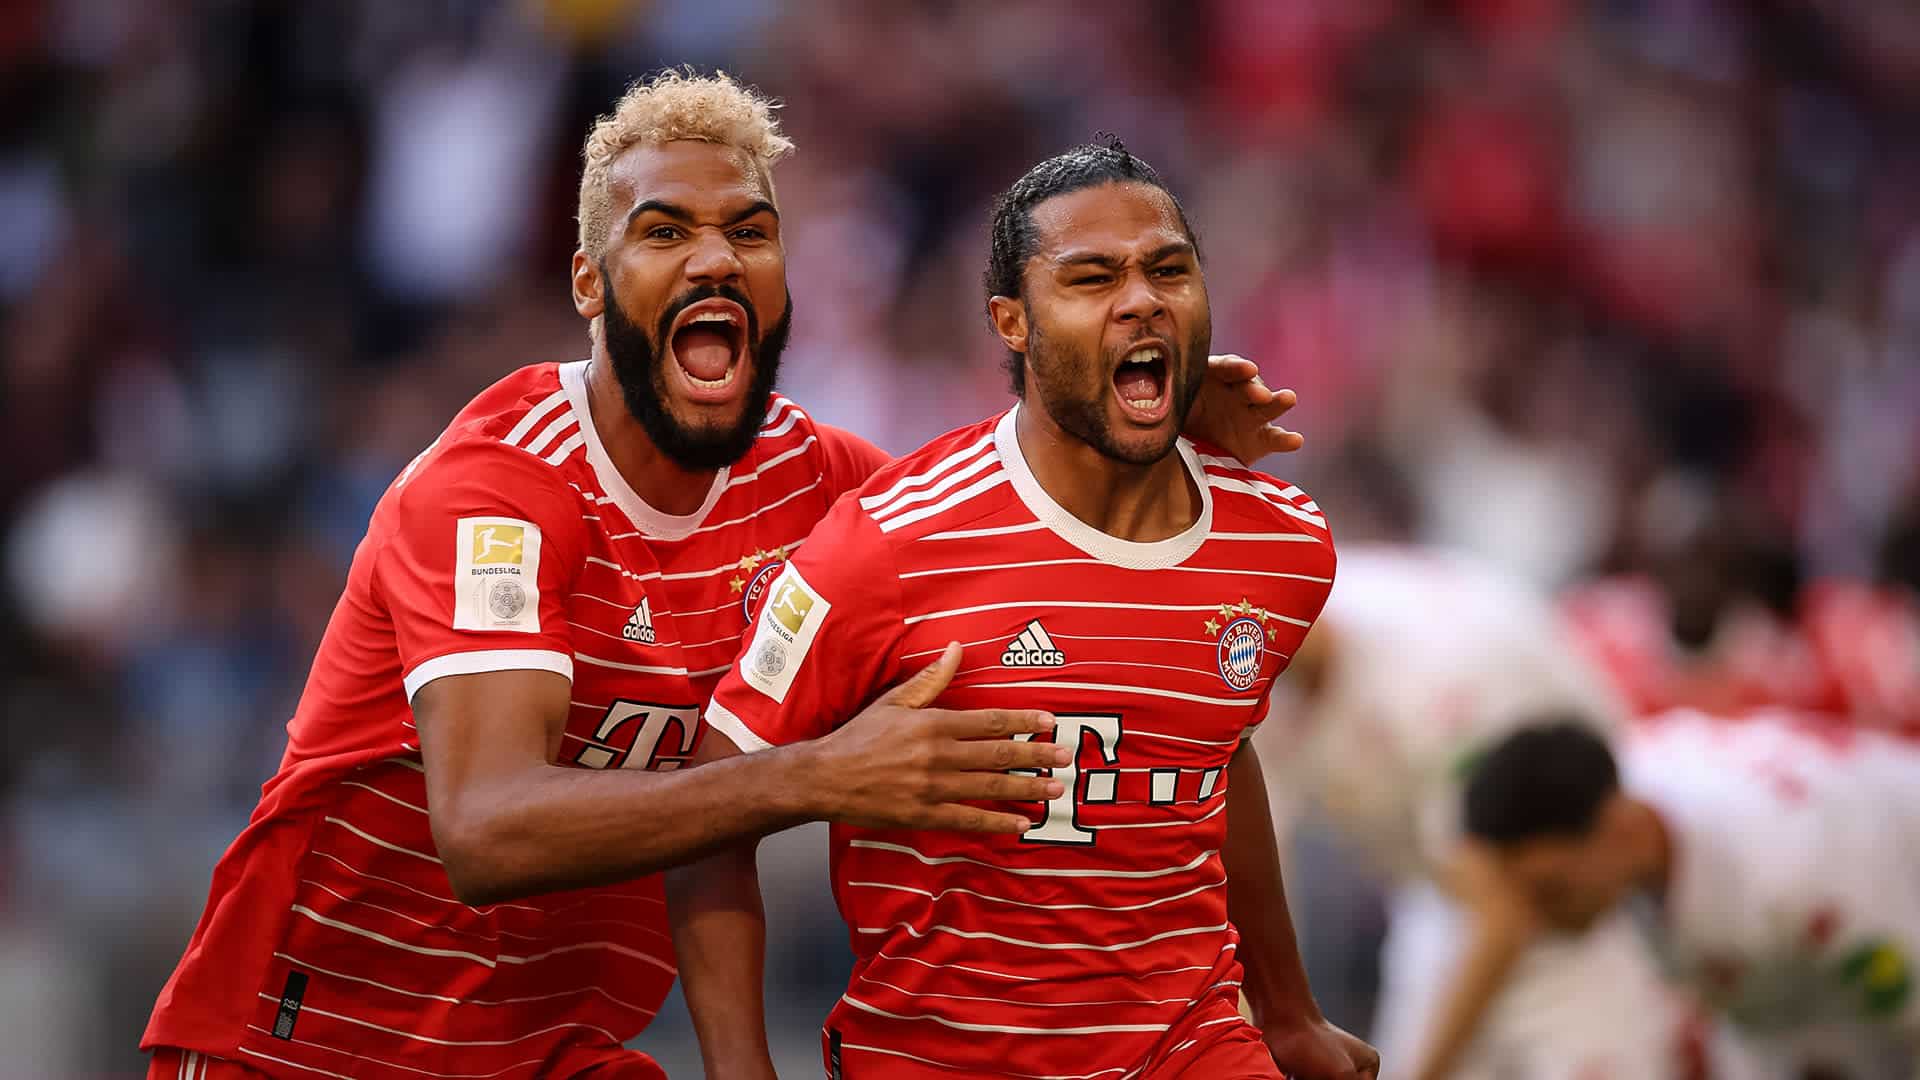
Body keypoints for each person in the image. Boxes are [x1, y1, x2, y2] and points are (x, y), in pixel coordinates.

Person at [140, 73, 1303, 1080]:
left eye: (751, 231)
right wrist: (810, 777)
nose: (715, 257)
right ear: (590, 284)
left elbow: (999, 538)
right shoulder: (497, 492)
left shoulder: (821, 485)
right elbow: (486, 830)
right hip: (304, 1040)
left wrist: (1130, 411)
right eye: (664, 232)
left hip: (550, 1050)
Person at [670, 140, 1378, 1080]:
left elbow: (1215, 753)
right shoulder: (888, 543)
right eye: (1092, 278)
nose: (1142, 299)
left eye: (1170, 270)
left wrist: (1287, 1013)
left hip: (1194, 1043)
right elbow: (709, 814)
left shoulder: (1282, 543)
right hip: (941, 1058)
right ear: (1012, 321)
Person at [1255, 545, 1686, 1080]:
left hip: (1572, 896)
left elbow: (1506, 907)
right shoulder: (1235, 666)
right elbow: (1255, 874)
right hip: (1439, 887)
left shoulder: (1439, 675)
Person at [1458, 712, 1920, 1078]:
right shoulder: (1630, 776)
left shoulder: (1797, 875)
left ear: (1620, 828)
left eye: (1549, 889)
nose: (1532, 919)